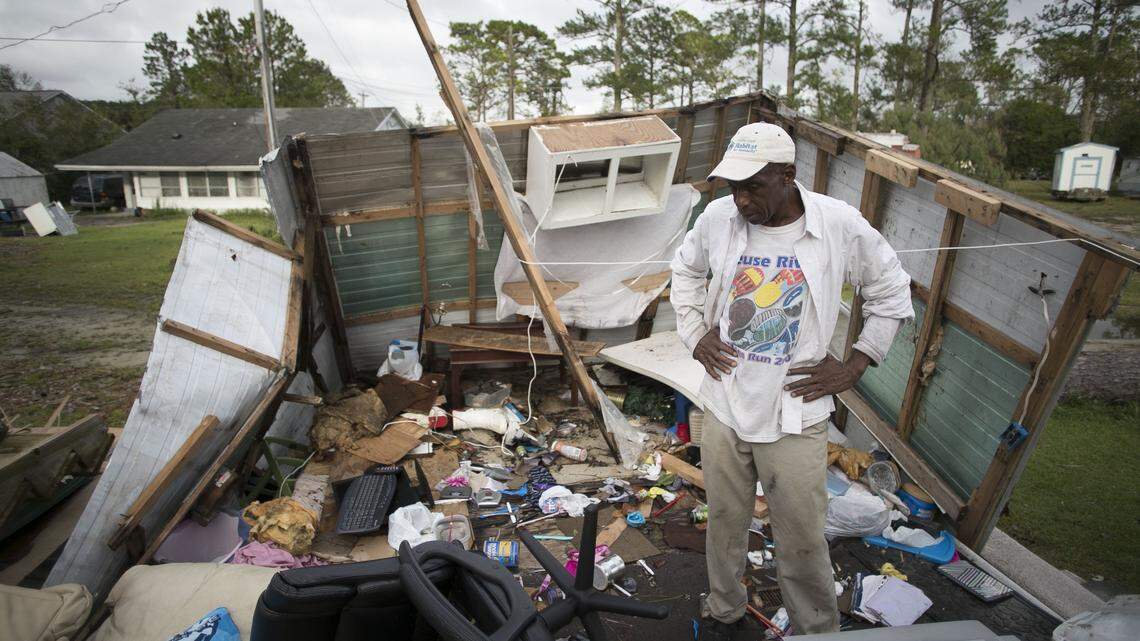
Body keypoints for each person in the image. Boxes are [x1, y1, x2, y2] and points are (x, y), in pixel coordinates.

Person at [670, 122, 913, 639]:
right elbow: (685, 271)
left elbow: (892, 292)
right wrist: (694, 333)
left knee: (802, 539)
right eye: (733, 187)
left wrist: (854, 365)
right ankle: (726, 609)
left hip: (795, 414)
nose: (740, 200)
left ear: (788, 175)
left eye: (753, 186)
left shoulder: (838, 224)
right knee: (725, 526)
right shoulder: (718, 219)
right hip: (725, 403)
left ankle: (816, 629)